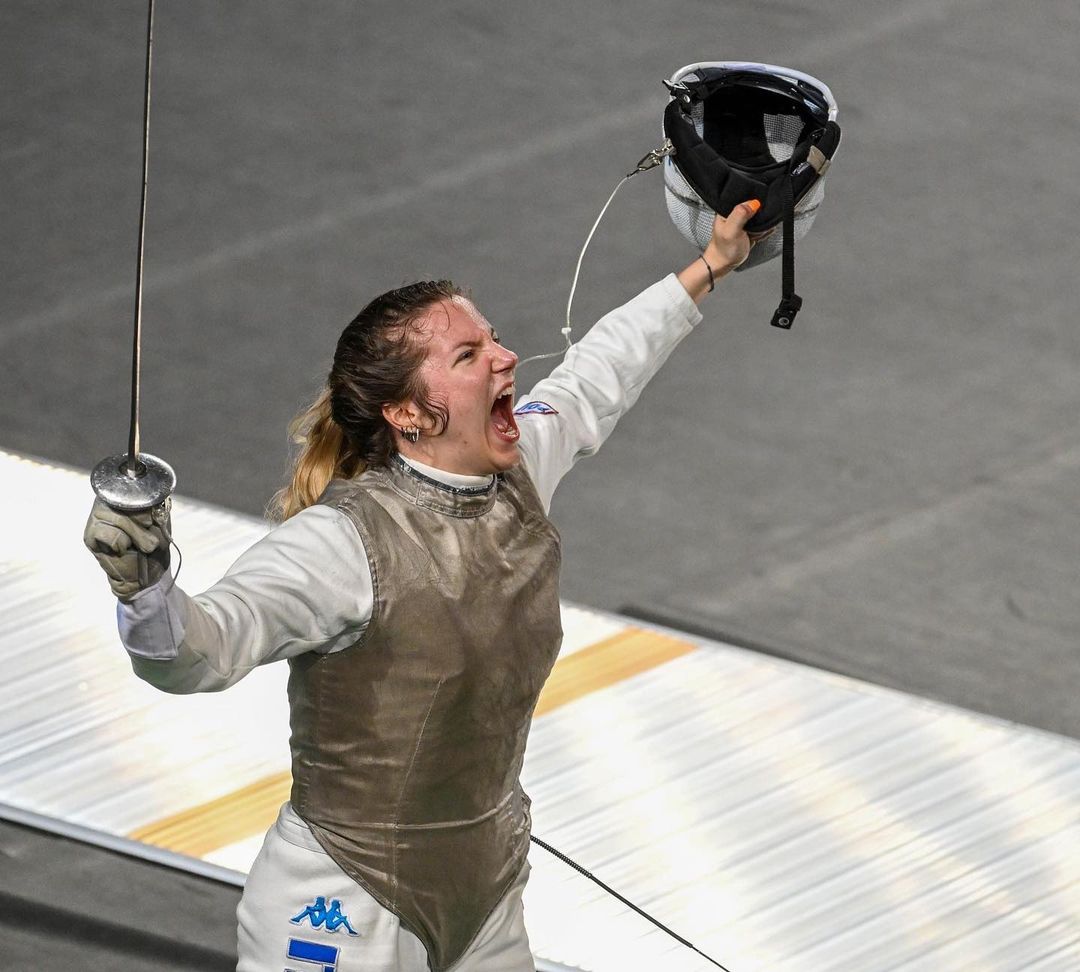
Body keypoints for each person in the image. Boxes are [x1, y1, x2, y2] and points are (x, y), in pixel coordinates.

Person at [83, 200, 760, 972]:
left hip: (485, 888)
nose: (506, 358)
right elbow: (195, 656)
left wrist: (711, 265)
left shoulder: (519, 470)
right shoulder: (342, 544)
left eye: (493, 339)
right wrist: (143, 585)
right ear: (408, 413)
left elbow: (600, 371)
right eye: (470, 356)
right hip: (341, 899)